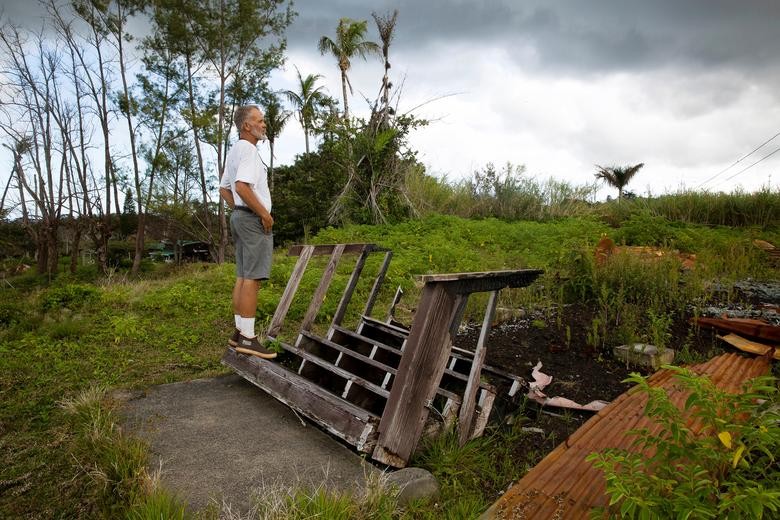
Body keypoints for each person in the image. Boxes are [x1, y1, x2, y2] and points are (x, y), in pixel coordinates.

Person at [219, 105, 277, 359]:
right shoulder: (249, 150)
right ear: (246, 126)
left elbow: (224, 189)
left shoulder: (235, 151)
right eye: (260, 121)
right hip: (252, 221)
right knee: (252, 278)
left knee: (243, 276)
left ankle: (239, 332)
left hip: (240, 218)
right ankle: (248, 338)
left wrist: (240, 211)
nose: (264, 125)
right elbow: (241, 187)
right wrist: (263, 214)